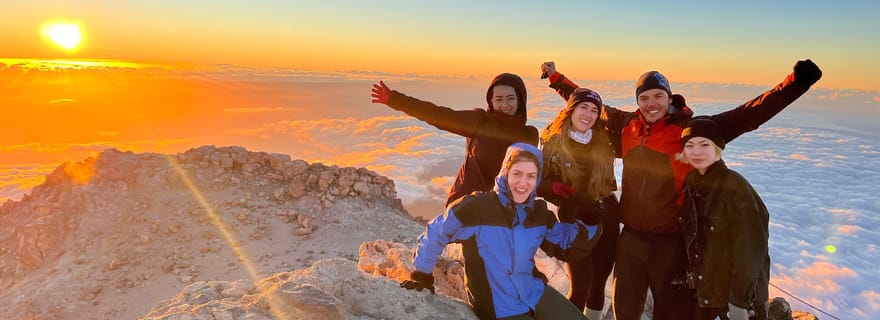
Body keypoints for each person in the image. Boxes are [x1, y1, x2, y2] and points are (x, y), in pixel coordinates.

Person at [540, 59, 821, 320]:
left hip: (670, 241)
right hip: (632, 239)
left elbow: (745, 116)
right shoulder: (628, 126)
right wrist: (556, 78)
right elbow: (587, 103)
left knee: (669, 311)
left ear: (668, 97)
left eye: (658, 97)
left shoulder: (689, 130)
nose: (651, 104)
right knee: (624, 308)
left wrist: (794, 84)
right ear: (638, 101)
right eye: (644, 98)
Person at [400, 143, 601, 320]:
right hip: (497, 303)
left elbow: (567, 243)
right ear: (505, 172)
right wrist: (421, 273)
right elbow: (438, 230)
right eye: (517, 174)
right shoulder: (478, 207)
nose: (523, 183)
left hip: (532, 290)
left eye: (531, 176)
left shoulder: (537, 213)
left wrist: (590, 220)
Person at [370, 74, 539, 206]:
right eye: (498, 99)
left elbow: (533, 175)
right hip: (466, 207)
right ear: (491, 101)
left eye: (510, 98)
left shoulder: (529, 135)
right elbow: (438, 114)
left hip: (504, 212)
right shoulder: (479, 121)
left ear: (520, 100)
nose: (504, 105)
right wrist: (394, 99)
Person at [536, 87, 620, 320]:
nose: (589, 114)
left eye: (594, 110)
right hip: (575, 221)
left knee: (598, 284)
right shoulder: (554, 141)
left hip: (607, 215)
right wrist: (554, 190)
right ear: (570, 110)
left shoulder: (604, 140)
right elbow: (537, 180)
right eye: (583, 107)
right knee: (581, 285)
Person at [677, 118, 770, 320]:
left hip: (736, 302)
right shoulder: (692, 183)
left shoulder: (734, 187)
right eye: (690, 146)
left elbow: (751, 250)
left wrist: (739, 302)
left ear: (717, 148)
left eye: (704, 145)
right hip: (708, 294)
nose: (697, 151)